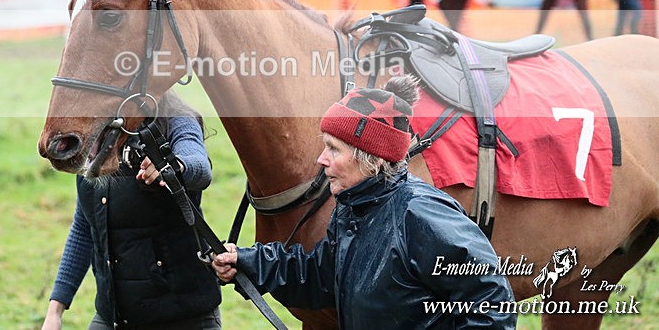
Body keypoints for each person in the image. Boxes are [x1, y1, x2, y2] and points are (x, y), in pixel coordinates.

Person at [212, 75, 516, 329]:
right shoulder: (352, 208)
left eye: (333, 149)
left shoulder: (421, 215)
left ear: (369, 158)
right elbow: (320, 276)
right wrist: (247, 261)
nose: (321, 159)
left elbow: (492, 306)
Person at [42, 91, 222, 330]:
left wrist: (173, 167)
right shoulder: (94, 134)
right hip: (114, 318)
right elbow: (85, 227)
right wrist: (55, 312)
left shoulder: (177, 119)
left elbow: (199, 167)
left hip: (184, 319)